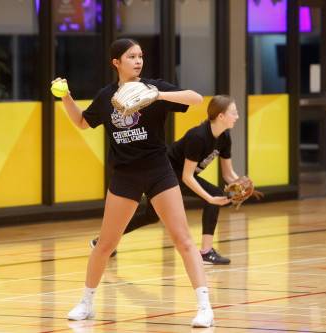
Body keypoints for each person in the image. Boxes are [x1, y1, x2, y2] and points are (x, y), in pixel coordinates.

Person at [55, 38, 214, 328]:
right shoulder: (106, 97)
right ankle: (86, 302)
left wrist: (158, 96)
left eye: (140, 56)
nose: (138, 61)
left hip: (158, 172)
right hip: (125, 175)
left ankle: (204, 306)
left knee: (183, 239)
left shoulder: (154, 87)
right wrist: (65, 96)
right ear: (116, 63)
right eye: (131, 57)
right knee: (105, 243)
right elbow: (82, 122)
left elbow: (196, 99)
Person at [92, 95, 241, 265]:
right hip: (166, 172)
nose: (237, 116)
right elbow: (187, 177)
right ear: (221, 116)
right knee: (213, 194)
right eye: (234, 113)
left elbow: (228, 174)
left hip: (179, 175)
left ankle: (102, 241)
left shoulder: (225, 137)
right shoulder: (198, 137)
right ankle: (206, 252)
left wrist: (240, 183)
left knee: (150, 216)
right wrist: (210, 198)